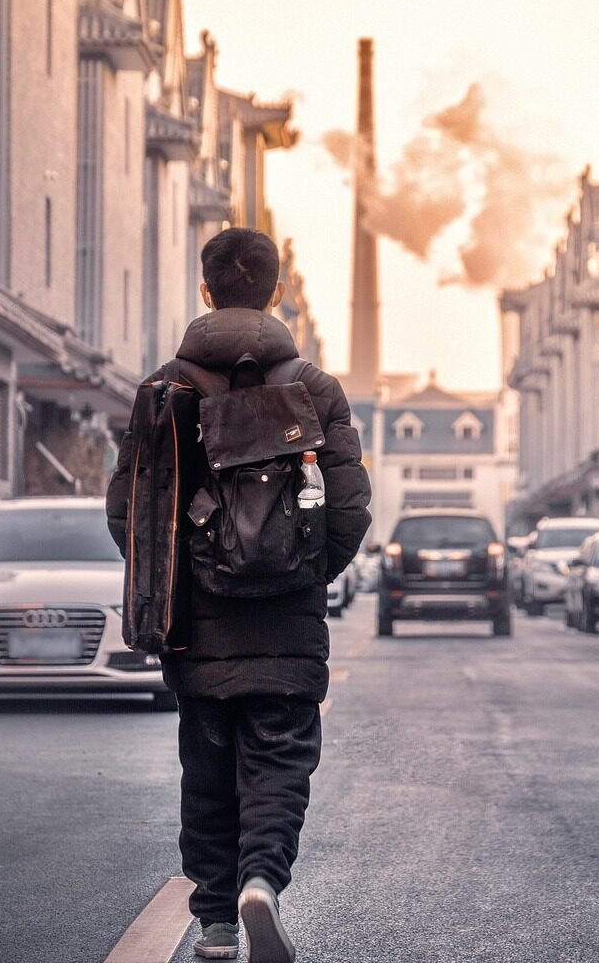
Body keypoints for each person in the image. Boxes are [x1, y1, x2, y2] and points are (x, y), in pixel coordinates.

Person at [106, 227, 372, 962]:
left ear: (206, 290)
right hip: (286, 622)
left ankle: (218, 922)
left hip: (198, 625)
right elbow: (349, 508)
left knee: (208, 765)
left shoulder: (166, 389)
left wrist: (181, 577)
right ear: (274, 291)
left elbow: (127, 511)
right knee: (279, 761)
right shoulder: (314, 390)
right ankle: (262, 880)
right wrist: (304, 576)